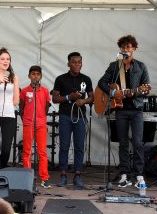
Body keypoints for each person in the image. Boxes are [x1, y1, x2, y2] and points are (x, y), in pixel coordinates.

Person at [98, 35, 150, 188]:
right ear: (120, 49)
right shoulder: (115, 66)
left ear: (134, 48)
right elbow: (102, 82)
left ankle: (139, 175)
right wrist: (114, 93)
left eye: (129, 47)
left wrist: (135, 92)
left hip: (136, 110)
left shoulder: (141, 67)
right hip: (120, 110)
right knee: (123, 143)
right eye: (123, 47)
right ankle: (124, 174)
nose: (126, 49)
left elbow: (146, 88)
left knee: (138, 142)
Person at [52, 52, 94, 188]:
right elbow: (55, 99)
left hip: (80, 116)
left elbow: (92, 97)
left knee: (79, 147)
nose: (77, 64)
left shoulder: (86, 79)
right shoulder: (60, 79)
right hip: (65, 116)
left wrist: (84, 101)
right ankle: (63, 175)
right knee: (64, 146)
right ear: (68, 64)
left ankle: (77, 175)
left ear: (82, 63)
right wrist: (69, 97)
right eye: (74, 62)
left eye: (79, 62)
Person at [19, 65, 51, 188]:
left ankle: (44, 178)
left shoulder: (45, 91)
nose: (35, 76)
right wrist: (26, 120)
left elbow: (46, 107)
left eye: (38, 74)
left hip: (41, 124)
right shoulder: (24, 91)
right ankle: (27, 177)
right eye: (33, 74)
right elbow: (21, 108)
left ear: (41, 76)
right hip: (28, 124)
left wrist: (41, 118)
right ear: (29, 76)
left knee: (42, 152)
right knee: (27, 151)